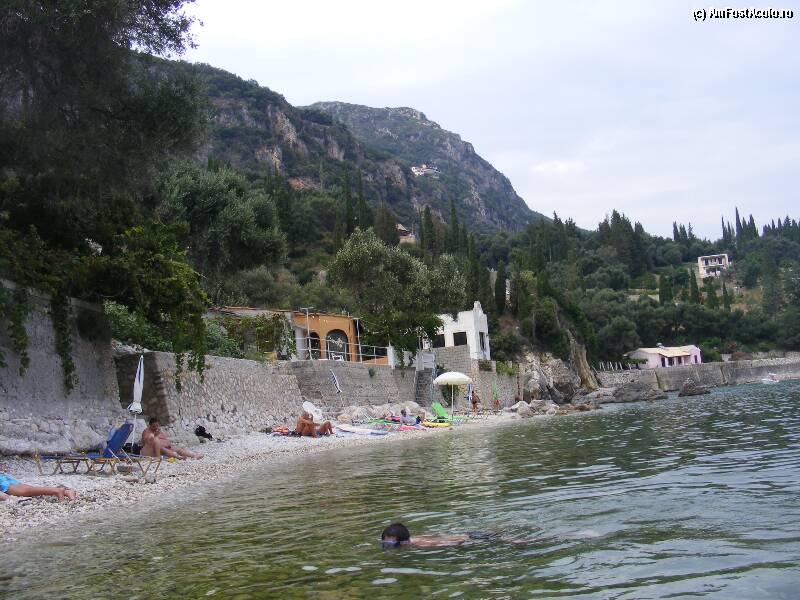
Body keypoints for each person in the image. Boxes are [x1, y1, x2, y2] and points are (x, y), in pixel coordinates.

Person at [380, 523, 482, 548]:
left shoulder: (422, 544)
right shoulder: (411, 539)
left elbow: (445, 543)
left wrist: (466, 541)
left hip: (471, 538)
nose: (386, 543)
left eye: (390, 542)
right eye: (385, 541)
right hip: (466, 534)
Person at [0, 474, 76, 502]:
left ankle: (58, 490)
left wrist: (6, 498)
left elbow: (4, 497)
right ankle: (67, 492)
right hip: (3, 477)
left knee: (25, 491)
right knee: (31, 490)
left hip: (2, 482)